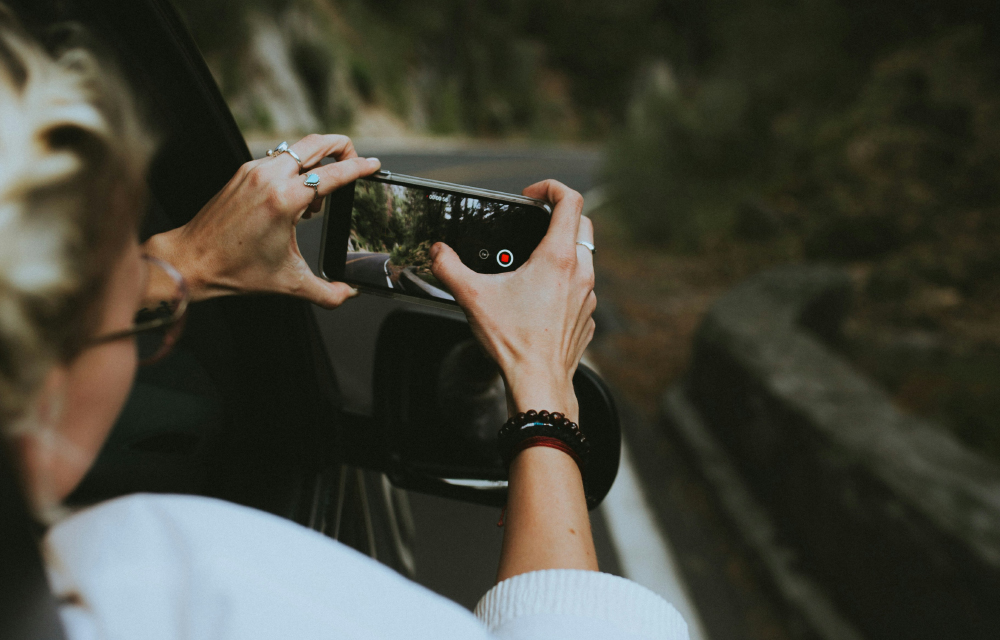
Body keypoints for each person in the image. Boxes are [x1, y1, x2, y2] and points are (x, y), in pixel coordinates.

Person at [0, 11, 687, 640]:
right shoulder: (167, 582)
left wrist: (187, 261)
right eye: (122, 255)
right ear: (46, 405)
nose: (149, 282)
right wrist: (541, 383)